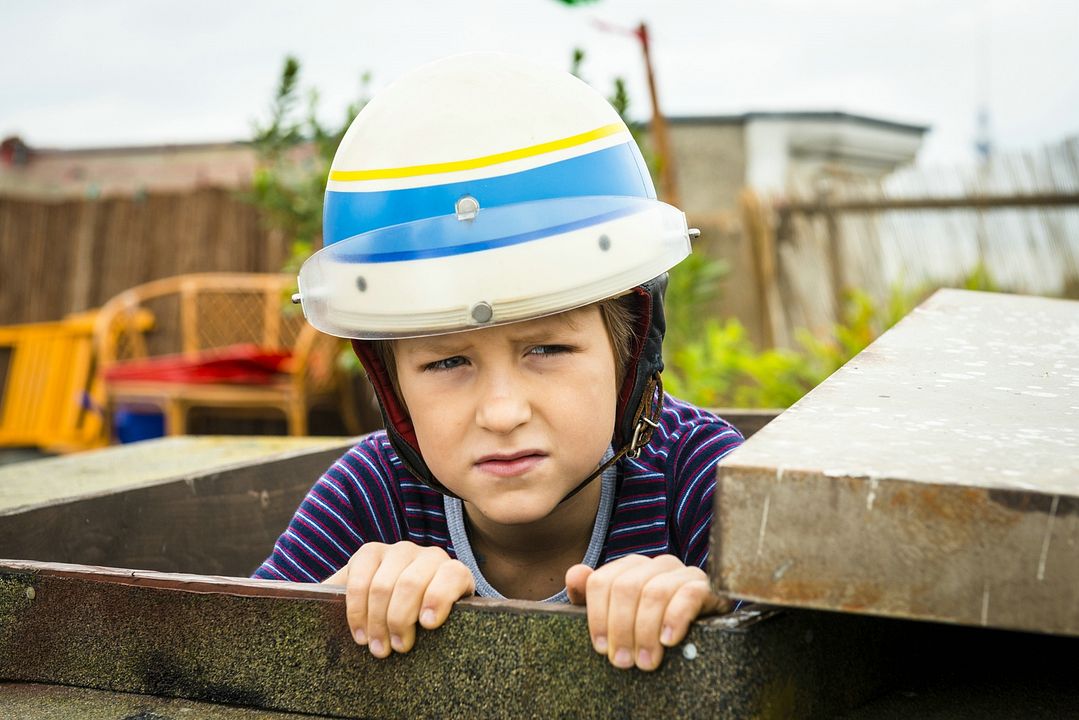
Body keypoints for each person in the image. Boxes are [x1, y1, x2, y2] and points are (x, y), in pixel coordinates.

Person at [253, 52, 744, 672]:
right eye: (446, 362)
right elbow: (230, 667)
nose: (503, 411)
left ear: (628, 354)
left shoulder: (698, 476)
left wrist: (714, 603)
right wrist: (332, 604)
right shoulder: (372, 498)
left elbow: (799, 637)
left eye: (547, 349)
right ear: (394, 386)